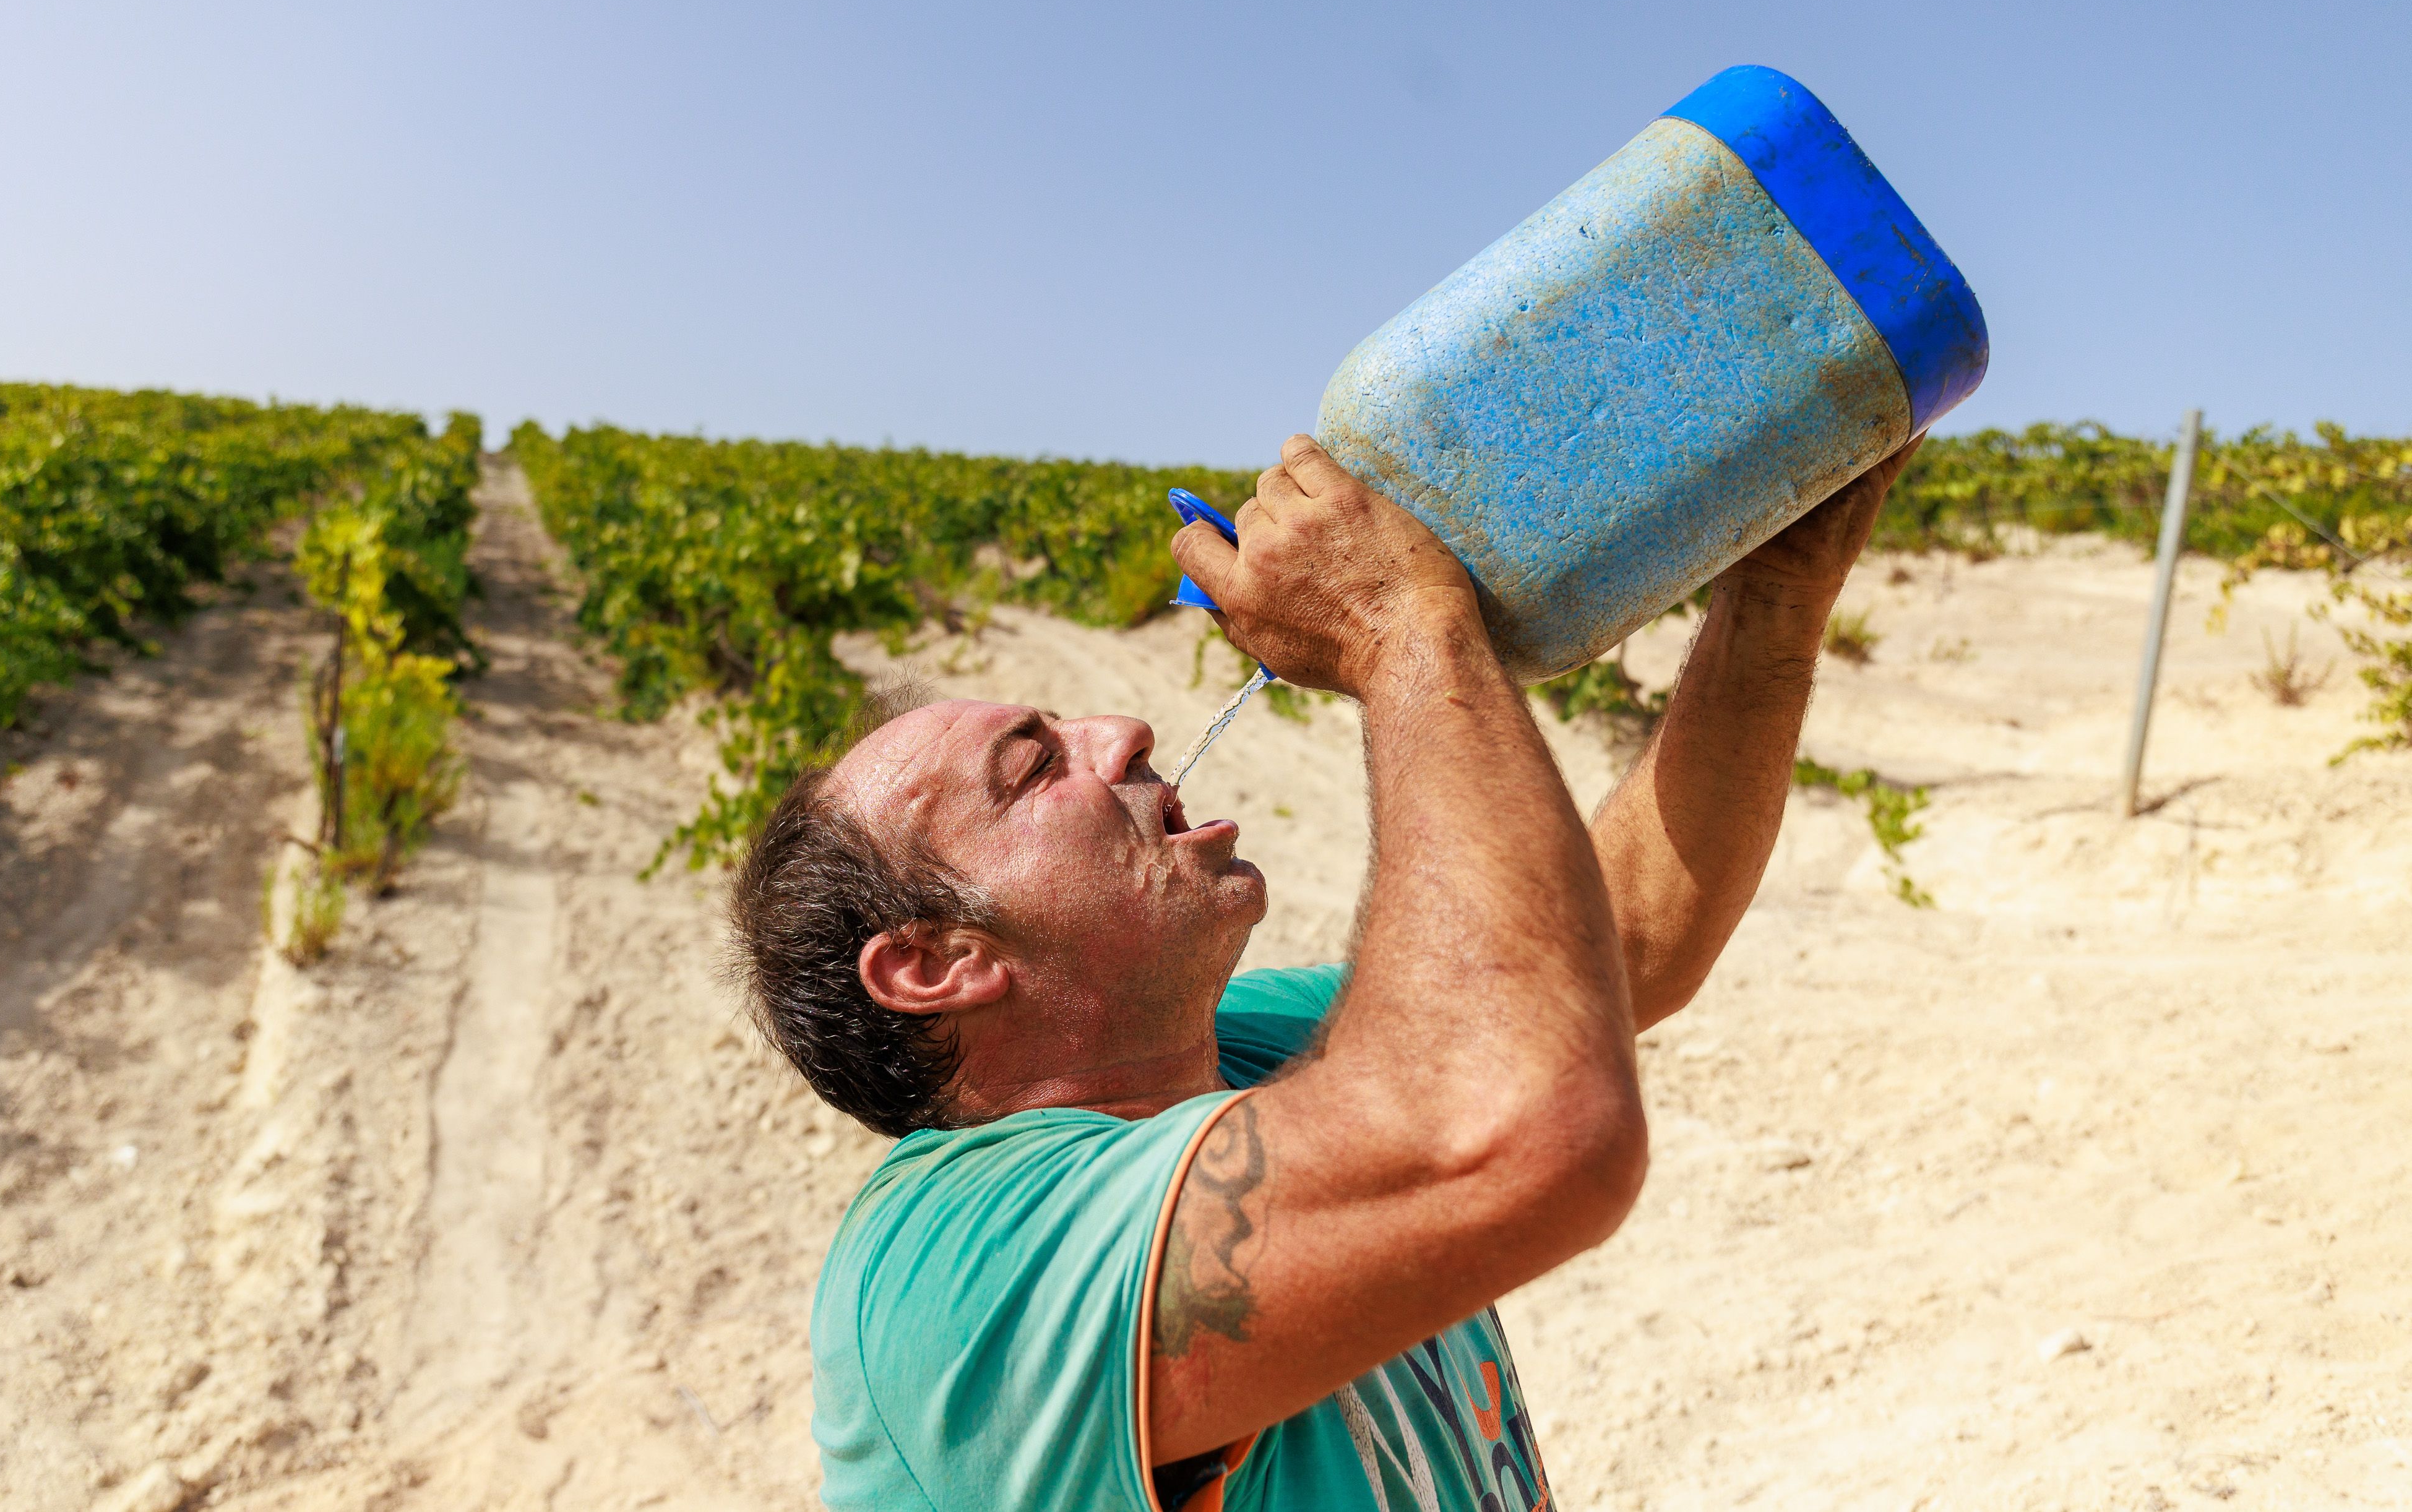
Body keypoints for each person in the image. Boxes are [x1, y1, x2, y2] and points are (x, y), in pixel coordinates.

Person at [725, 433, 1917, 1511]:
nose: (1122, 734)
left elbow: (1620, 945)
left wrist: (1776, 600)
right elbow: (1522, 1121)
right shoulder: (956, 1268)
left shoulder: (1228, 1054)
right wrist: (1398, 628)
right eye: (1035, 766)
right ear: (938, 963)